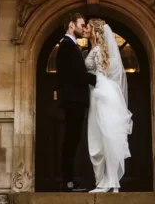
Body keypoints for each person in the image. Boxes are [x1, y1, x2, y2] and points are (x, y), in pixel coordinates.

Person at [84, 19, 133, 193]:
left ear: (96, 32)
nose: (85, 29)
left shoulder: (97, 50)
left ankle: (107, 182)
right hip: (102, 93)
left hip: (100, 94)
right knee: (105, 137)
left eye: (88, 27)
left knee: (101, 137)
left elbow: (100, 74)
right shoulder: (97, 49)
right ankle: (110, 181)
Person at [56, 12, 97, 192]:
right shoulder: (66, 46)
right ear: (71, 25)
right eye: (81, 24)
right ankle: (68, 182)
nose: (83, 27)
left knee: (73, 139)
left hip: (75, 100)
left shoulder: (71, 46)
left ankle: (69, 180)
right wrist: (98, 81)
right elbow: (76, 73)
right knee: (71, 140)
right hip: (73, 100)